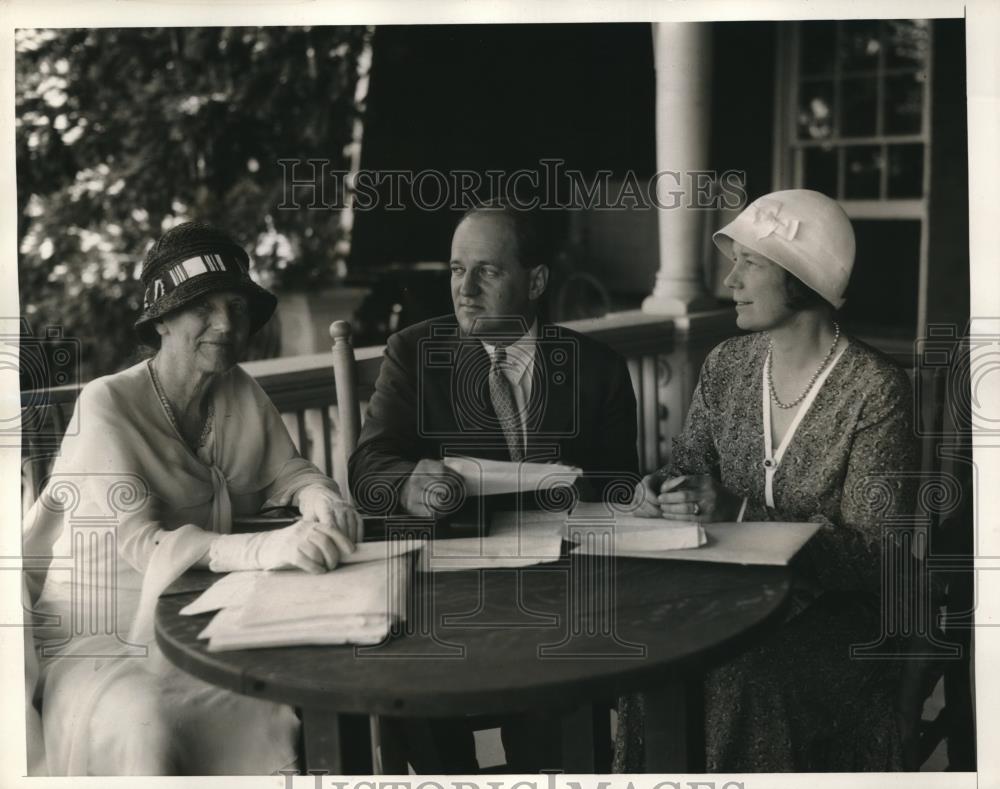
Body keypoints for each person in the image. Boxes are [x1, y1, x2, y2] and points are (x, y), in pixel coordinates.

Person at [23, 222, 363, 776]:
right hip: (101, 639)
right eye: (202, 307)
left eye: (236, 305)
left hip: (198, 618)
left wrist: (319, 496)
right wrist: (266, 549)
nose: (226, 324)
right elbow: (140, 543)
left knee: (305, 687)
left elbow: (289, 470)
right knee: (147, 723)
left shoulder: (238, 390)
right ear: (160, 319)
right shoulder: (106, 404)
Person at [616, 189, 919, 772]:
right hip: (725, 594)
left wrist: (735, 511)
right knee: (648, 648)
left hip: (838, 619)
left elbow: (872, 556)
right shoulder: (727, 364)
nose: (731, 280)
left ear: (801, 280)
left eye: (750, 263)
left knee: (739, 673)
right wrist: (662, 489)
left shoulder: (875, 390)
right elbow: (688, 467)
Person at [349, 202, 639, 772]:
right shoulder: (414, 353)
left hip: (560, 598)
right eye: (458, 270)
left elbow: (619, 488)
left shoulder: (597, 368)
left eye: (488, 271)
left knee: (561, 721)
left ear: (534, 281)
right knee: (415, 691)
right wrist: (407, 483)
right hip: (450, 597)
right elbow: (367, 467)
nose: (466, 288)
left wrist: (625, 495)